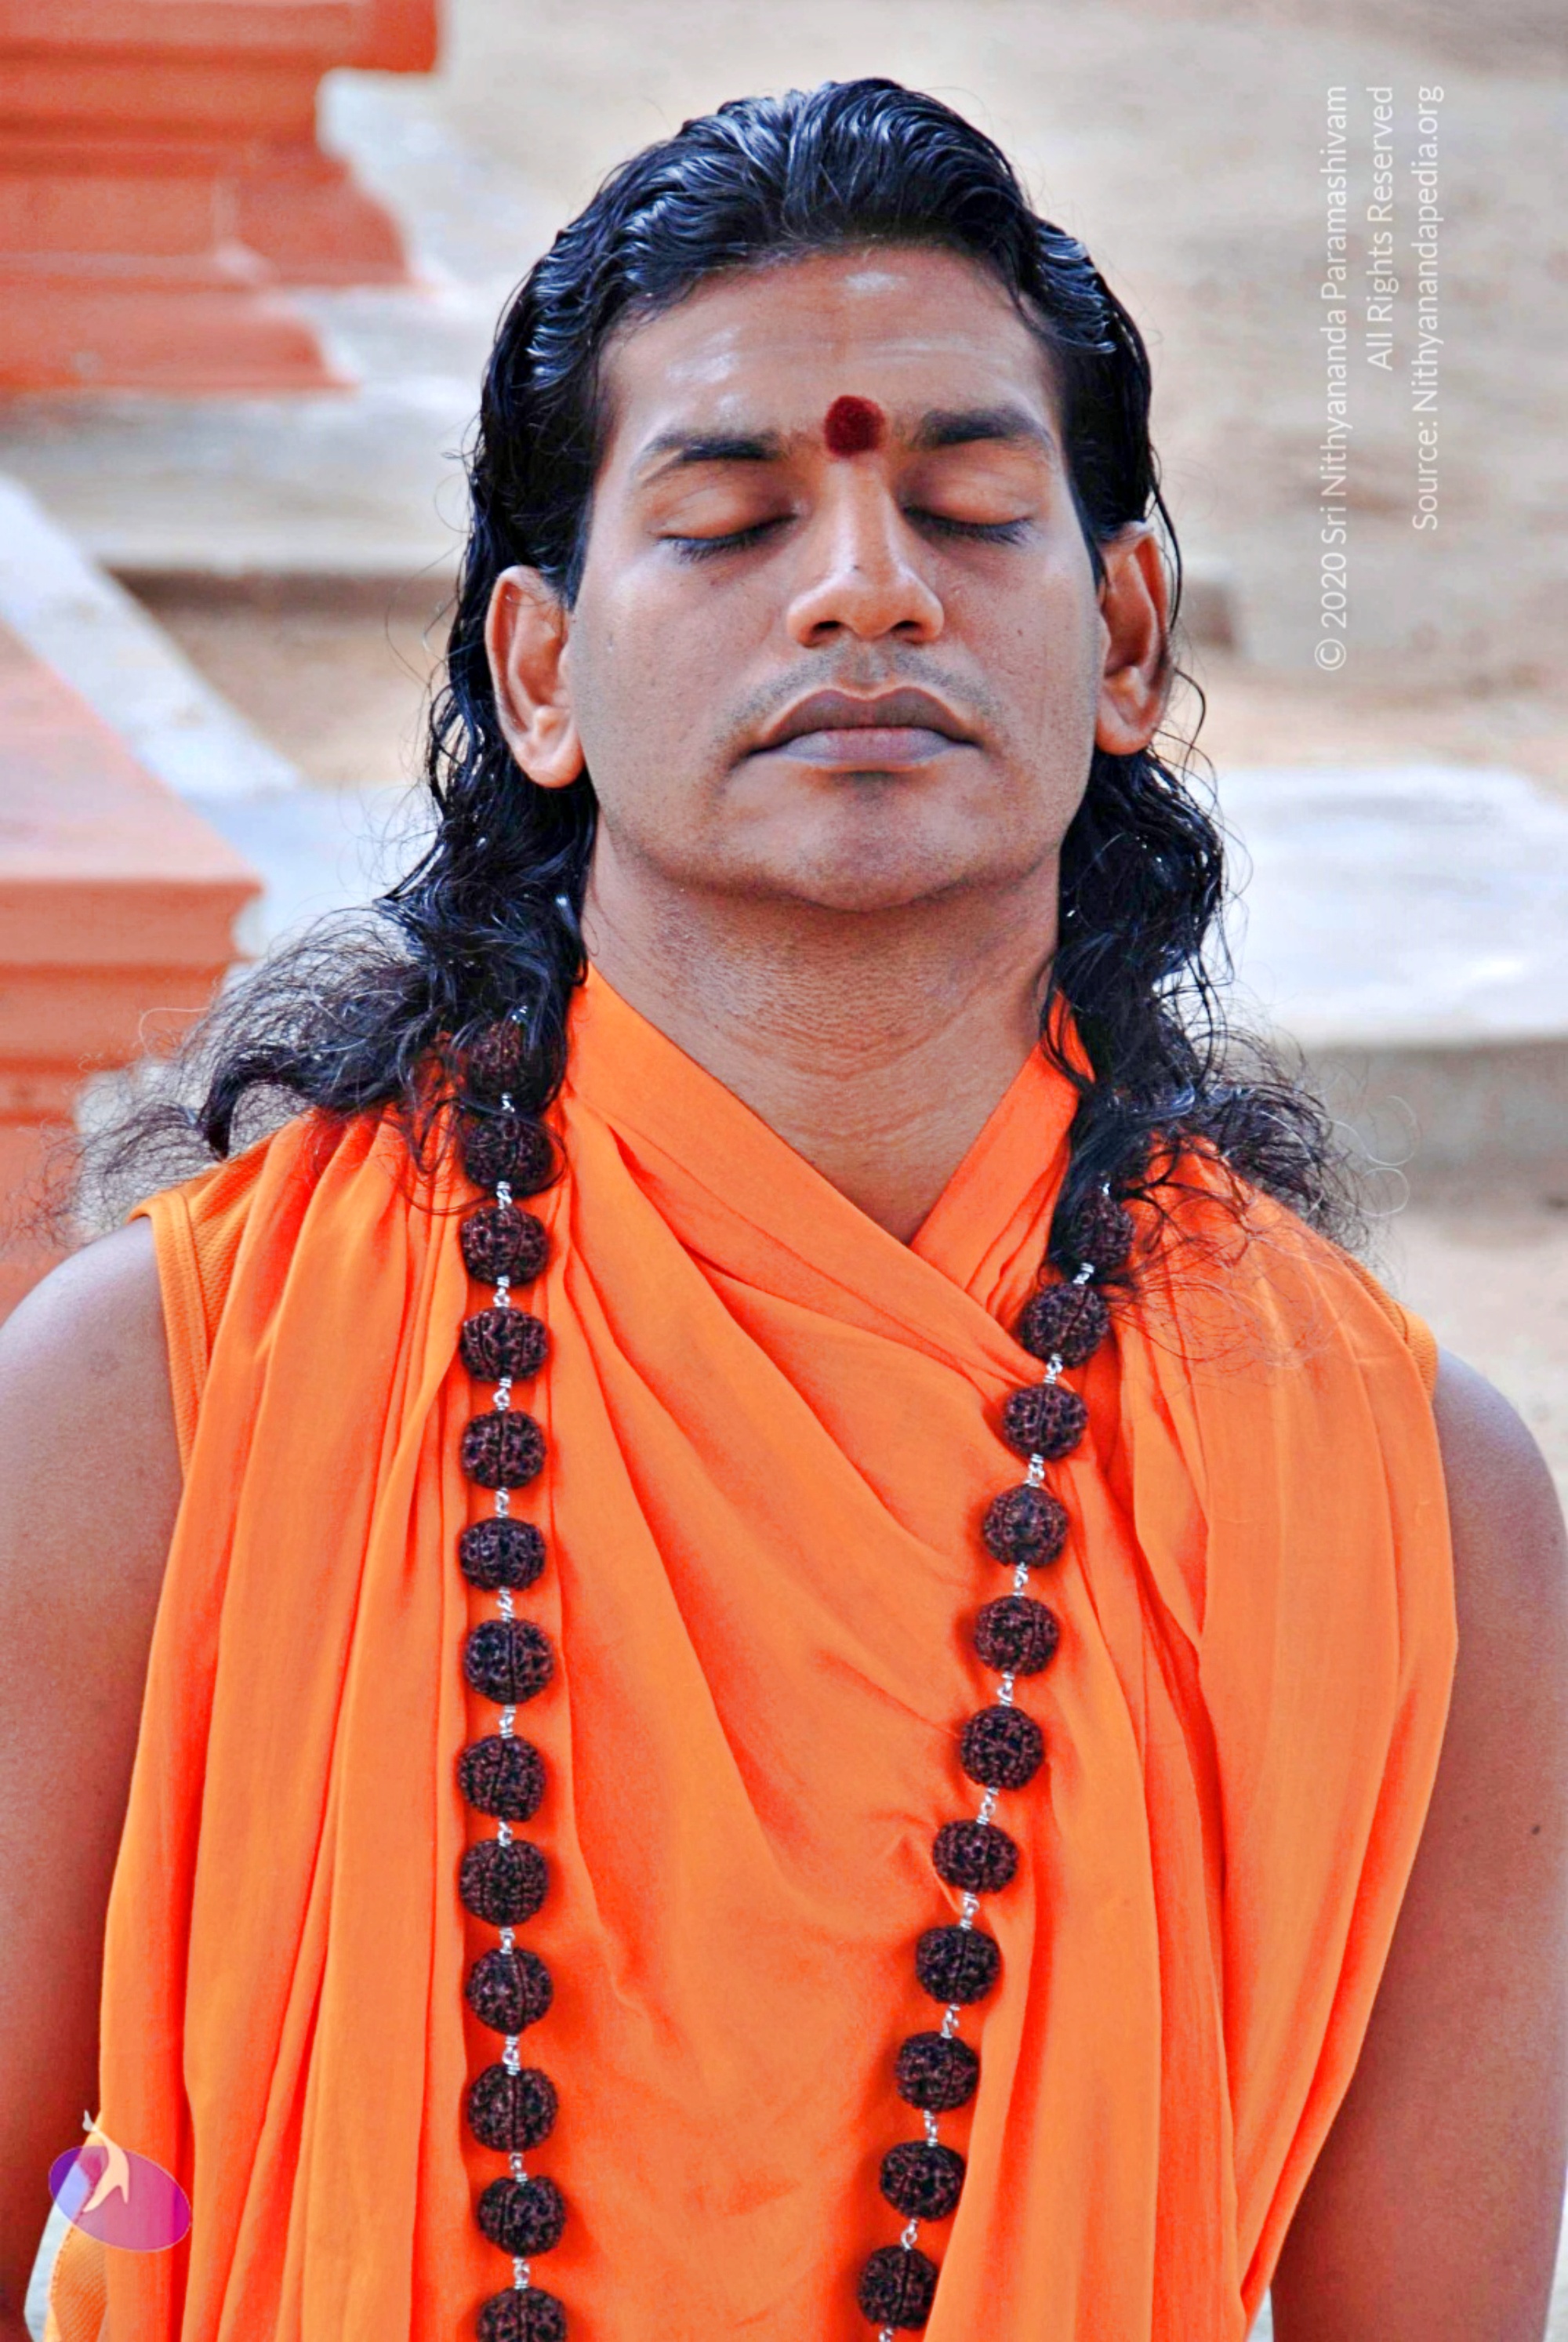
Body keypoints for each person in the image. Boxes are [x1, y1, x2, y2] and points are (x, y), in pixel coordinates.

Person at [1, 77, 1563, 2342]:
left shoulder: (1404, 1507)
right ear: (542, 673)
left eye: (970, 507)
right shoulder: (154, 1407)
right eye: (731, 520)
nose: (863, 584)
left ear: (1129, 638)